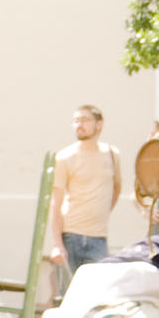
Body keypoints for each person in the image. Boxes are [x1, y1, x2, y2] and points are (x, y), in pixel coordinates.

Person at [46, 104, 120, 300]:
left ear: (99, 124)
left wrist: (100, 212)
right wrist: (57, 244)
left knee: (98, 297)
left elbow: (117, 188)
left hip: (98, 238)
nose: (79, 125)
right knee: (68, 297)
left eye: (85, 120)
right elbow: (55, 203)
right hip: (71, 236)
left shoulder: (112, 154)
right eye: (76, 120)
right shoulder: (65, 157)